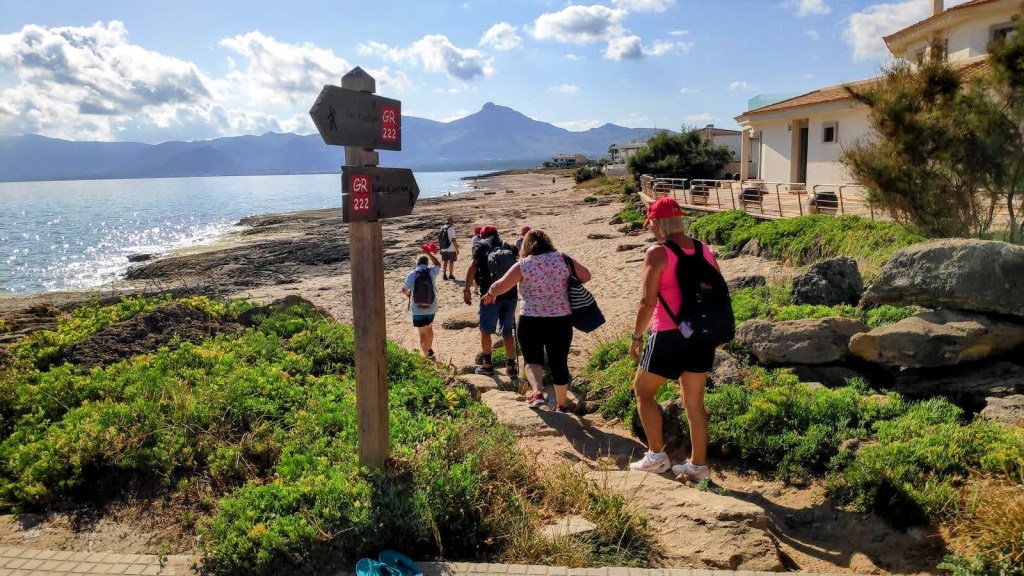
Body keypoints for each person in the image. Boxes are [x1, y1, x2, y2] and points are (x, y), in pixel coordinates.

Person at [627, 197, 719, 481]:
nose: (651, 230)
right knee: (694, 403)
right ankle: (698, 467)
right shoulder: (704, 250)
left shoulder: (657, 252)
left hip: (669, 333)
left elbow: (647, 301)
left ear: (657, 223)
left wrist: (637, 335)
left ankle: (656, 456)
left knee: (643, 391)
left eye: (651, 224)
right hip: (701, 336)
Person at [483, 229, 591, 411]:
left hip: (530, 319)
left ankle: (538, 393)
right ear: (548, 242)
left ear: (526, 245)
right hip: (560, 318)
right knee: (559, 361)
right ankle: (561, 404)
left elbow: (500, 285)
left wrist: (490, 294)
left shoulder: (524, 264)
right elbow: (586, 276)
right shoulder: (562, 259)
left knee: (532, 359)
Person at [464, 225, 518, 380]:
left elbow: (472, 267)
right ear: (497, 234)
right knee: (507, 331)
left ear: (481, 236)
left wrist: (467, 289)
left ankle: (488, 364)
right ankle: (511, 366)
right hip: (510, 294)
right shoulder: (508, 246)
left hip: (489, 295)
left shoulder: (480, 246)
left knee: (486, 330)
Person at [401, 248, 442, 360]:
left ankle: (425, 356)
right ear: (427, 263)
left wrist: (409, 294)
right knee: (429, 329)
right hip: (431, 306)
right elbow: (438, 264)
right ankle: (429, 350)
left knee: (422, 333)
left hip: (417, 308)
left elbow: (404, 289)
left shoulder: (412, 274)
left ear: (417, 263)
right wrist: (429, 253)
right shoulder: (431, 272)